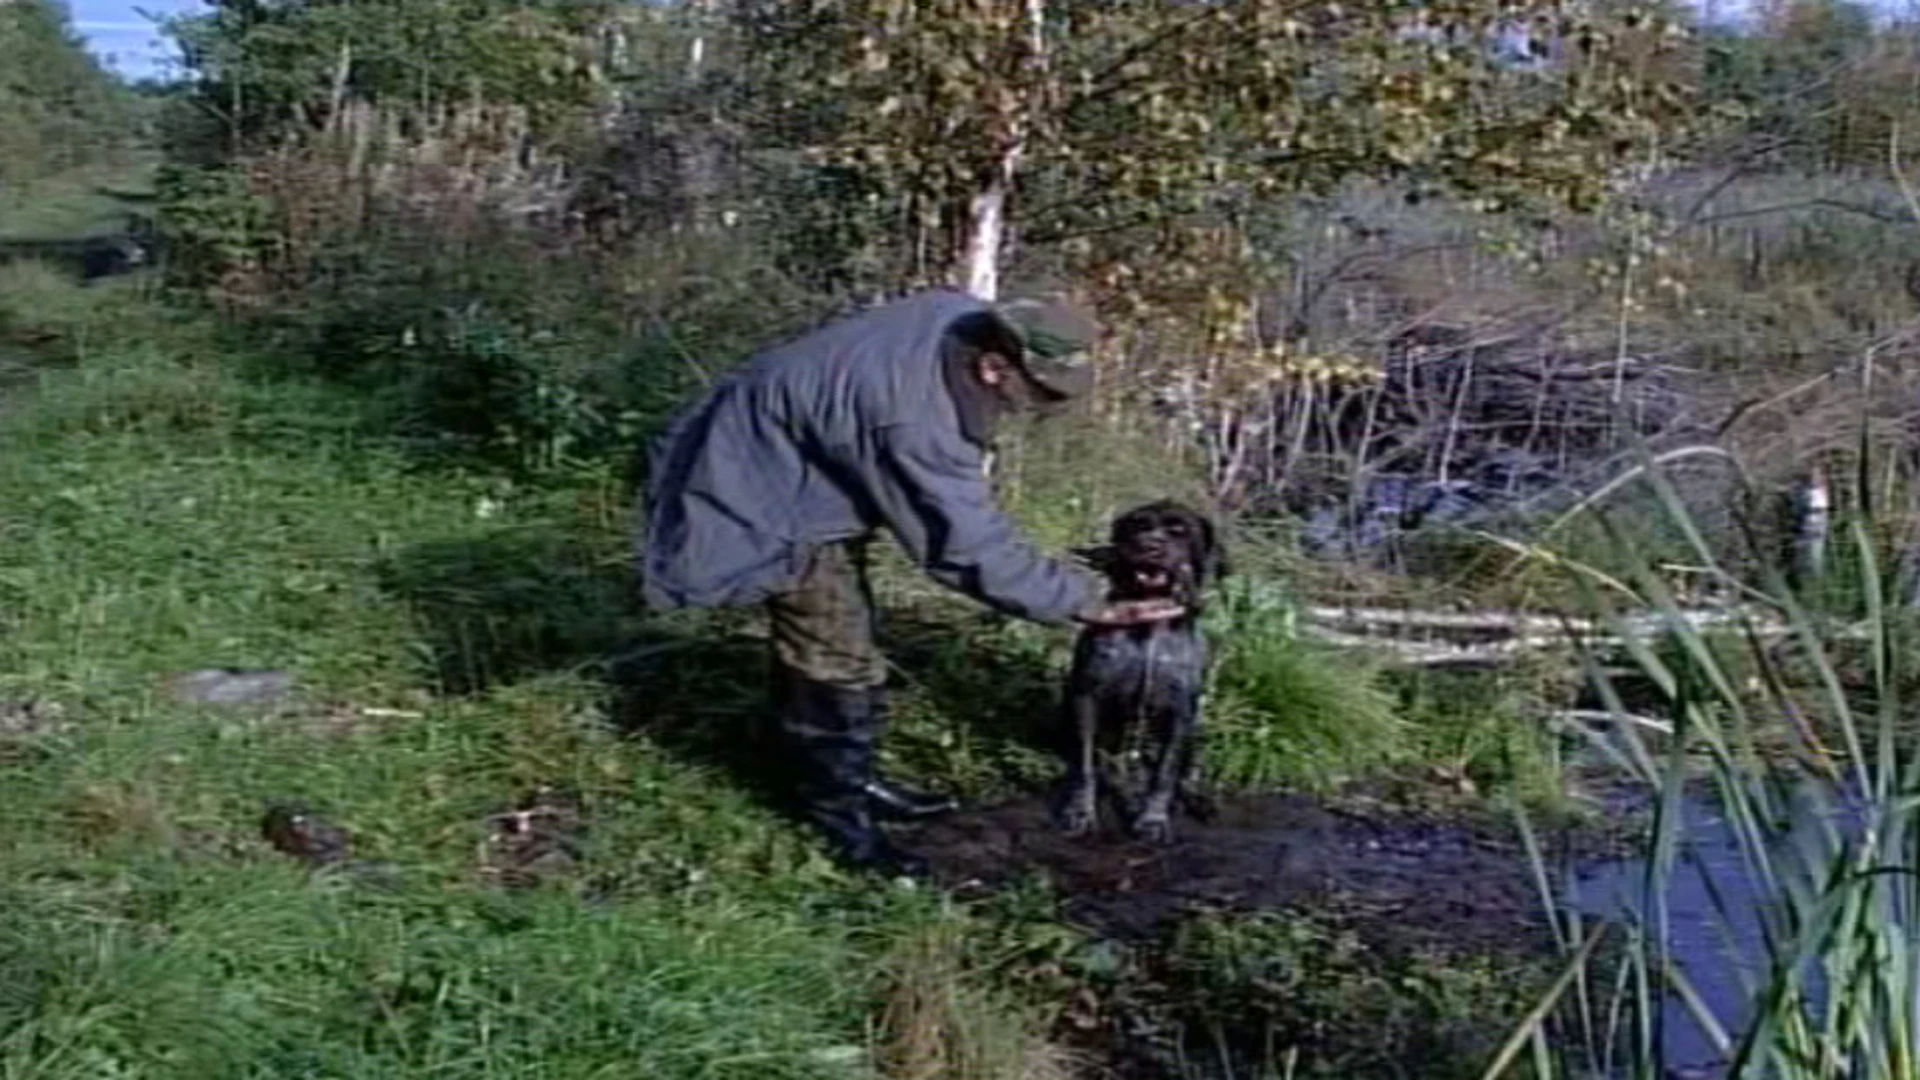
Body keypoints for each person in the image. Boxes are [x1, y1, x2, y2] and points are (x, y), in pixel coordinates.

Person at [639, 288, 1184, 876]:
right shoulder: (913, 420)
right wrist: (1084, 600)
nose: (1038, 407)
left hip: (797, 459)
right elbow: (962, 546)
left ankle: (849, 778)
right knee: (838, 654)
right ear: (993, 367)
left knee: (843, 632)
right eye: (1038, 393)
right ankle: (839, 824)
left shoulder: (959, 313)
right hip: (756, 489)